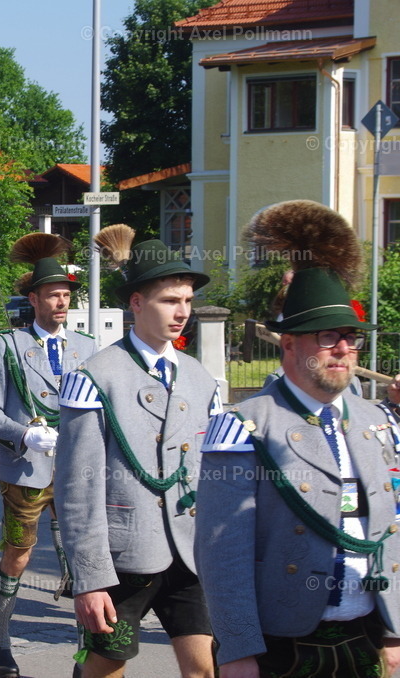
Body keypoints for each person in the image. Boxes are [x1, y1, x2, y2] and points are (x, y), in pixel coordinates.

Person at [197, 201, 400, 677]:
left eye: (351, 337)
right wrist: (237, 649)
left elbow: (390, 533)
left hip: (367, 636)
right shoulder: (244, 425)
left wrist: (395, 630)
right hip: (284, 644)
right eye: (329, 337)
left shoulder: (377, 420)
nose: (345, 349)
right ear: (289, 343)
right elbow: (221, 553)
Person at [56, 226, 218, 678]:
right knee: (105, 670)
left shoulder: (199, 377)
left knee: (205, 670)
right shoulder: (95, 376)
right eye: (170, 300)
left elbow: (207, 473)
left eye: (187, 300)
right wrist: (89, 579)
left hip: (188, 553)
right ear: (136, 303)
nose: (182, 311)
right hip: (122, 561)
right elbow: (77, 486)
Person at [0, 235, 96, 677]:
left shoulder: (87, 347)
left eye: (65, 294)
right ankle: (0, 641)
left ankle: (87, 651)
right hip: (27, 470)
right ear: (34, 298)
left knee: (84, 557)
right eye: (52, 294)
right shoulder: (9, 346)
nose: (61, 302)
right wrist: (25, 434)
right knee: (18, 555)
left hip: (77, 470)